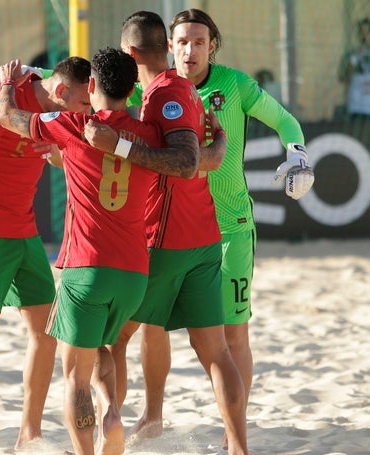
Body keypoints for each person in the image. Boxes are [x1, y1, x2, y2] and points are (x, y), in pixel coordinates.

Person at [87, 8, 314, 452]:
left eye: (199, 41)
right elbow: (93, 77)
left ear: (213, 46)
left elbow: (286, 120)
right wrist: (29, 75)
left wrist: (299, 154)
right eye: (182, 42)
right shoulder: (147, 84)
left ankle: (235, 437)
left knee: (232, 335)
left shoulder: (235, 86)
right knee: (154, 328)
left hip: (229, 228)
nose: (190, 49)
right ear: (168, 47)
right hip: (170, 229)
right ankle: (153, 415)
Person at [0, 47, 207, 455]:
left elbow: (9, 118)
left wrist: (9, 83)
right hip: (133, 273)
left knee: (74, 375)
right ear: (132, 89)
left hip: (86, 268)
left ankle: (87, 451)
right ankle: (112, 410)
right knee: (104, 349)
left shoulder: (75, 124)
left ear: (90, 86)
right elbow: (185, 160)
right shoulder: (148, 134)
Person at [83, 10, 249, 455]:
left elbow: (183, 161)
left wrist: (116, 145)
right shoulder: (187, 91)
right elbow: (202, 157)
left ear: (132, 53)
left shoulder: (163, 95)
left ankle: (108, 436)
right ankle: (238, 448)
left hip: (165, 241)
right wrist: (218, 146)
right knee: (216, 352)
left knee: (108, 337)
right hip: (203, 240)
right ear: (167, 46)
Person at [0, 56, 92, 455]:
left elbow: (64, 157)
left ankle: (29, 434)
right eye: (82, 104)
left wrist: (55, 151)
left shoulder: (58, 109)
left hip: (25, 229)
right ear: (61, 93)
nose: (87, 112)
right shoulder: (2, 102)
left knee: (46, 332)